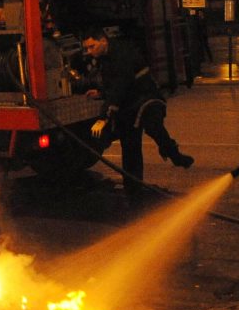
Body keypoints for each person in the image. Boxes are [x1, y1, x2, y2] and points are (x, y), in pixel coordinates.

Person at [81, 28, 194, 203]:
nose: (89, 52)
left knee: (153, 127)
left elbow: (122, 82)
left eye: (91, 46)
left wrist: (107, 110)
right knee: (130, 144)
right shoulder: (105, 58)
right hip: (129, 104)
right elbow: (114, 85)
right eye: (87, 48)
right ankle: (133, 186)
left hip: (146, 97)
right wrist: (101, 93)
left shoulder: (121, 53)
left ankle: (175, 155)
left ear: (103, 40)